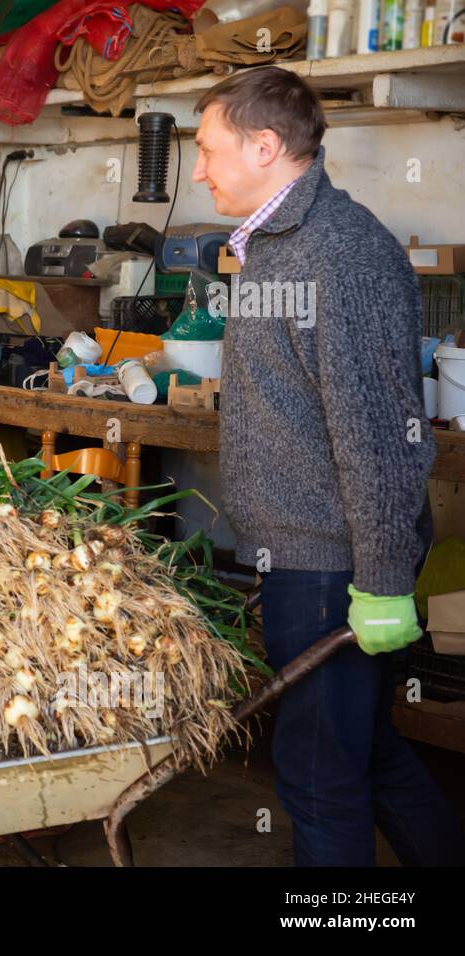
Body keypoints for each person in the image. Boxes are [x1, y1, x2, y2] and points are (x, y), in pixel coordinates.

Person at [193, 67, 464, 865]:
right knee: (368, 758)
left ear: (266, 146)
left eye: (208, 150)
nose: (200, 169)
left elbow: (379, 433)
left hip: (330, 569)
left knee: (319, 782)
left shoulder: (339, 255)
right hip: (306, 560)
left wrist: (380, 580)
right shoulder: (278, 247)